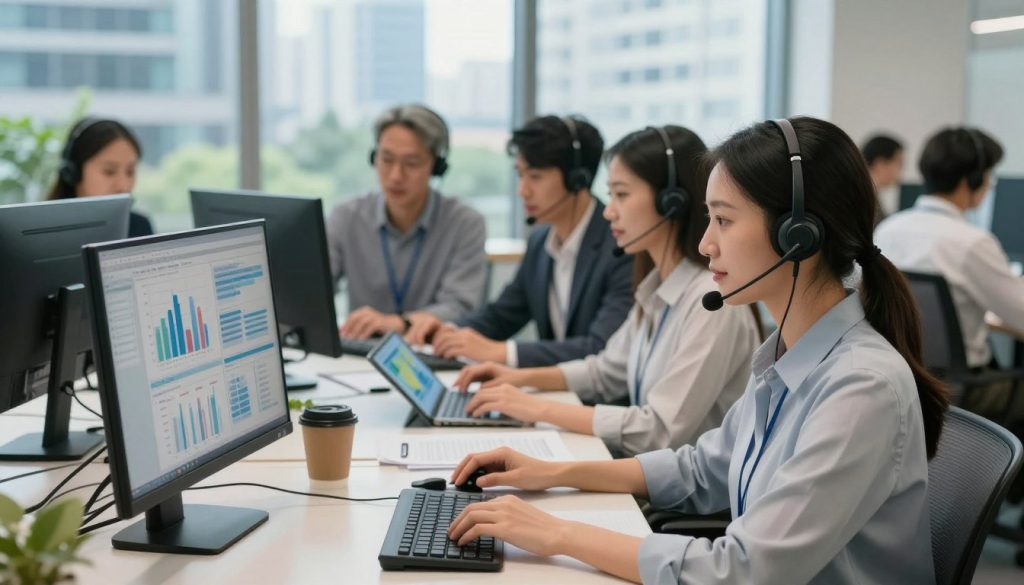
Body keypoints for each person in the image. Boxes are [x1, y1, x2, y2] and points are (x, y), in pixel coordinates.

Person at [445, 117, 949, 584]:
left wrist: (556, 533)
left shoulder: (861, 386)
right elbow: (699, 469)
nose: (705, 243)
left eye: (724, 221)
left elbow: (743, 571)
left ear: (799, 235)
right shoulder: (787, 354)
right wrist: (549, 474)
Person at [450, 126, 760, 457]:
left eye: (621, 195)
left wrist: (537, 408)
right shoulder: (656, 289)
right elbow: (604, 372)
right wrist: (517, 376)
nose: (609, 211)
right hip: (651, 478)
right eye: (610, 195)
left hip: (687, 500)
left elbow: (658, 431)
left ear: (672, 201)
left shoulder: (711, 303)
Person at [410, 115, 634, 367]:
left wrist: (503, 353)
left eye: (535, 177)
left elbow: (600, 347)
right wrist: (446, 330)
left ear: (577, 179)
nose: (522, 190)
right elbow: (501, 315)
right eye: (520, 175)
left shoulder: (620, 246)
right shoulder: (541, 242)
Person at [875, 126, 1022, 419]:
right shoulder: (972, 243)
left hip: (899, 381)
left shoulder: (886, 231)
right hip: (963, 390)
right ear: (975, 179)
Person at [326, 104, 487, 340]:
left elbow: (460, 306)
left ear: (437, 167)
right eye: (387, 159)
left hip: (430, 351)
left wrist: (398, 323)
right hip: (359, 351)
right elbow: (314, 294)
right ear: (374, 157)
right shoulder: (346, 217)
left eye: (411, 163)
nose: (396, 176)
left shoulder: (465, 222)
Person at [48, 117, 154, 237]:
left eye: (130, 172)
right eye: (109, 171)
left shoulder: (140, 226)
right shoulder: (43, 229)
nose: (124, 186)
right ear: (73, 172)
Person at [860, 133, 904, 219]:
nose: (901, 173)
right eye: (899, 164)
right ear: (880, 164)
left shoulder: (869, 196)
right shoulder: (864, 200)